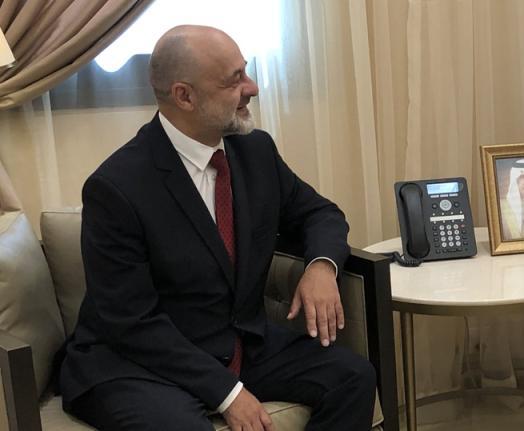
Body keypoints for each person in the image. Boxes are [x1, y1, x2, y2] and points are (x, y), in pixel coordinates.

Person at [59, 25, 376, 431]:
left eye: (246, 71)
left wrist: (321, 266)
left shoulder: (255, 152)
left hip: (240, 346)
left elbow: (320, 213)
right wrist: (228, 393)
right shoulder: (116, 188)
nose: (253, 88)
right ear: (184, 96)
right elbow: (131, 322)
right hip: (140, 363)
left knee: (353, 377)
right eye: (235, 79)